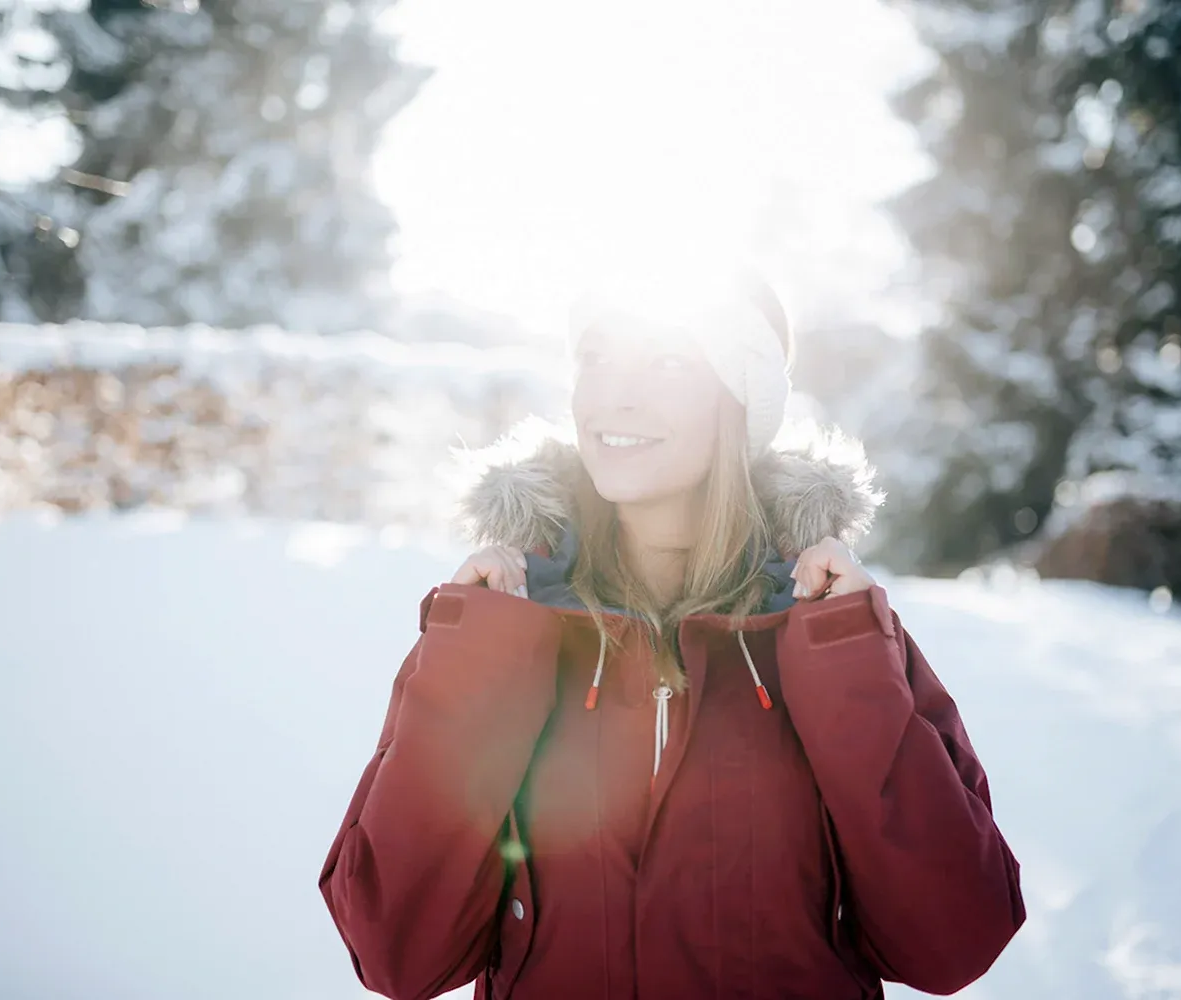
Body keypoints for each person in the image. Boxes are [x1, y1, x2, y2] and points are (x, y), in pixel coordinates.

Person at [318, 271, 1025, 999]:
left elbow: (954, 941)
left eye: (667, 362)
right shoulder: (503, 623)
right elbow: (395, 951)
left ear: (740, 400)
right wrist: (481, 658)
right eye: (596, 357)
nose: (616, 394)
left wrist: (845, 657)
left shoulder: (830, 628)